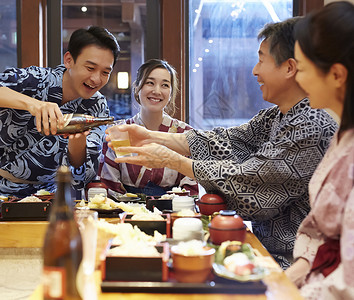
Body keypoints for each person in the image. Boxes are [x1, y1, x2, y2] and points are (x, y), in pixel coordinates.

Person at [106, 18, 338, 268]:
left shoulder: (312, 124)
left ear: (289, 67)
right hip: (263, 250)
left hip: (298, 263)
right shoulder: (275, 116)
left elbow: (252, 181)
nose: (255, 71)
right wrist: (151, 136)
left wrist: (170, 159)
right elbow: (226, 141)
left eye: (261, 59)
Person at [284, 2, 354, 299]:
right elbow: (318, 235)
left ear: (337, 75)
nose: (297, 77)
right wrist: (283, 282)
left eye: (303, 68)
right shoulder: (344, 135)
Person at [0, 26, 120, 198]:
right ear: (69, 60)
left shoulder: (97, 106)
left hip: (48, 195)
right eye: (90, 68)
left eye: (105, 72)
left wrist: (76, 143)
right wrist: (33, 104)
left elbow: (82, 170)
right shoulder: (36, 79)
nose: (96, 79)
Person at [98, 59, 198, 198]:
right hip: (126, 212)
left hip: (173, 212)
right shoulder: (120, 132)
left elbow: (190, 190)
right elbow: (109, 187)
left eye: (165, 85)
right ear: (137, 88)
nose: (157, 91)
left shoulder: (185, 134)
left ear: (170, 93)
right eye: (150, 83)